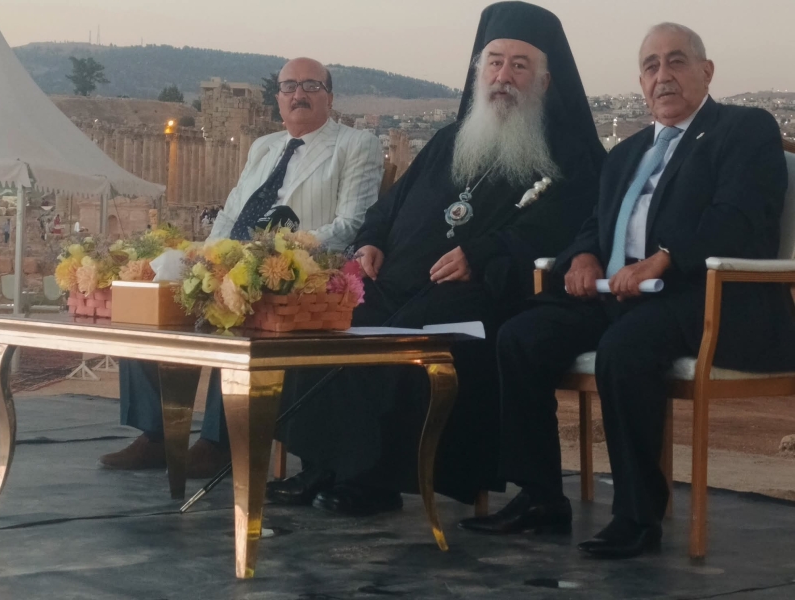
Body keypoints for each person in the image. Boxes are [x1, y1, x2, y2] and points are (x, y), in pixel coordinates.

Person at [458, 22, 795, 558]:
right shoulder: (627, 152)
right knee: (521, 336)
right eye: (650, 66)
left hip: (703, 294)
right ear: (640, 83)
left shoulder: (743, 129)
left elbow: (740, 218)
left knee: (625, 349)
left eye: (676, 61)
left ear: (706, 71)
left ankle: (637, 517)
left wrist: (664, 257)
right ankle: (541, 498)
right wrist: (583, 256)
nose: (663, 76)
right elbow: (595, 224)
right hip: (616, 294)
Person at [268, 1, 605, 516]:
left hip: (488, 290)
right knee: (332, 320)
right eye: (495, 62)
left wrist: (484, 252)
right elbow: (390, 205)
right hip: (397, 280)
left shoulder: (570, 152)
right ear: (478, 71)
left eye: (519, 65)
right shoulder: (451, 139)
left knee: (410, 336)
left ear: (544, 80)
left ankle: (373, 479)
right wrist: (371, 241)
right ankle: (324, 463)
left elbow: (564, 229)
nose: (504, 76)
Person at [99, 57, 384, 477]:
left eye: (311, 86)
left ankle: (220, 442)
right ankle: (156, 434)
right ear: (278, 98)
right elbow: (233, 213)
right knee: (150, 303)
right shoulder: (264, 146)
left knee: (241, 306)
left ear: (329, 97)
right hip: (234, 258)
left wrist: (273, 254)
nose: (298, 94)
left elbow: (351, 223)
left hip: (297, 271)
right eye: (289, 86)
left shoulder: (354, 145)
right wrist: (207, 257)